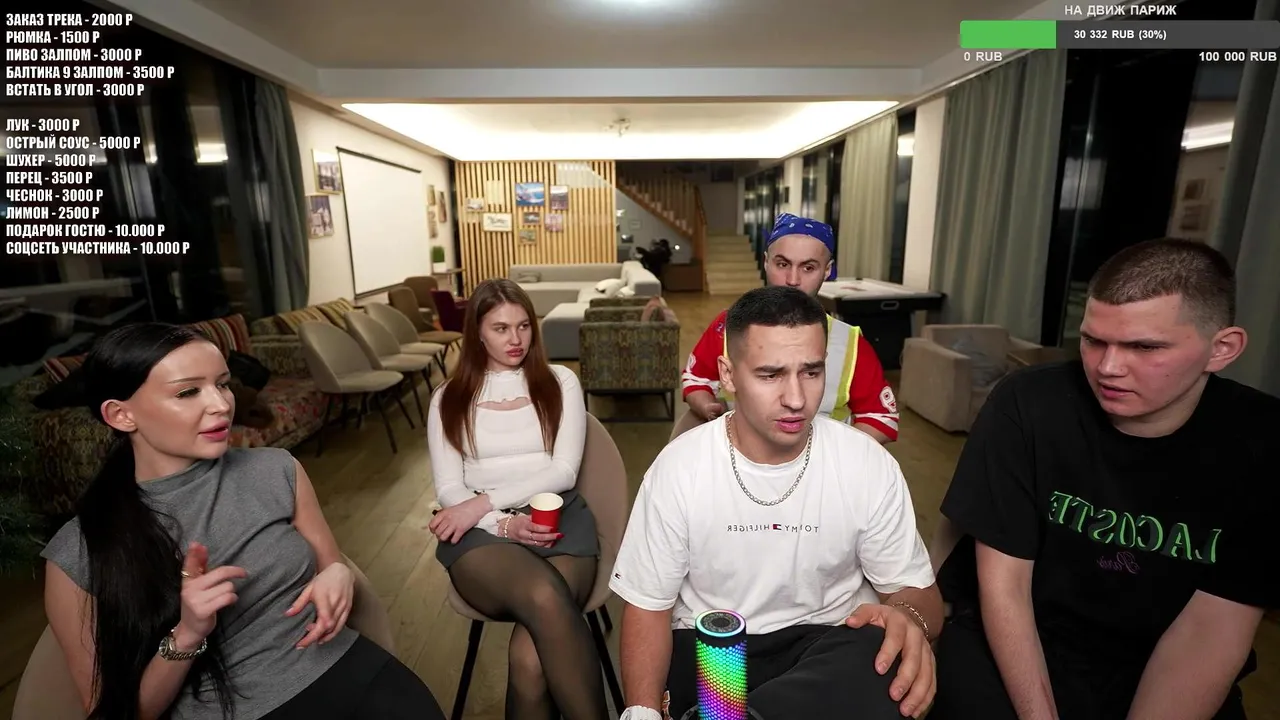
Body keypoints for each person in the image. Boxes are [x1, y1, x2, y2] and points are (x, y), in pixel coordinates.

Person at [930, 238, 1279, 720]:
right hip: (1020, 638)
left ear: (1222, 349)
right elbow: (1005, 588)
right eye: (1094, 341)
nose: (1108, 368)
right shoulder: (1028, 404)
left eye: (1145, 347)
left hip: (1155, 660)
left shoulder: (1264, 444)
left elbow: (1211, 630)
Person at [41, 322, 444, 720]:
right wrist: (188, 633)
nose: (221, 404)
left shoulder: (278, 470)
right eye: (188, 392)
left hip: (346, 668)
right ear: (121, 415)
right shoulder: (77, 552)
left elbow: (331, 564)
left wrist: (338, 574)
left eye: (223, 384)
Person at [611, 286, 942, 720]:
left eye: (811, 372)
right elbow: (647, 608)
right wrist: (642, 713)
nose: (797, 399)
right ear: (728, 375)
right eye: (770, 375)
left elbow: (919, 595)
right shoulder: (679, 469)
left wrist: (909, 618)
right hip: (717, 649)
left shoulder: (865, 462)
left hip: (828, 647)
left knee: (882, 652)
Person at [426, 278, 608, 720]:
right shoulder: (447, 398)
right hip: (480, 534)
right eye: (501, 328)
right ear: (478, 333)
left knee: (530, 659)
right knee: (543, 595)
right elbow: (449, 488)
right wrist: (498, 520)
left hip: (557, 519)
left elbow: (563, 472)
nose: (516, 339)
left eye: (524, 326)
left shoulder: (560, 381)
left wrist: (481, 502)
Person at [680, 213, 899, 444]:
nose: (793, 280)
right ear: (766, 262)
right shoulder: (729, 326)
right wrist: (709, 408)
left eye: (808, 267)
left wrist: (833, 456)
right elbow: (696, 379)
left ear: (827, 270)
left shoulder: (850, 344)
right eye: (782, 264)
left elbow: (881, 418)